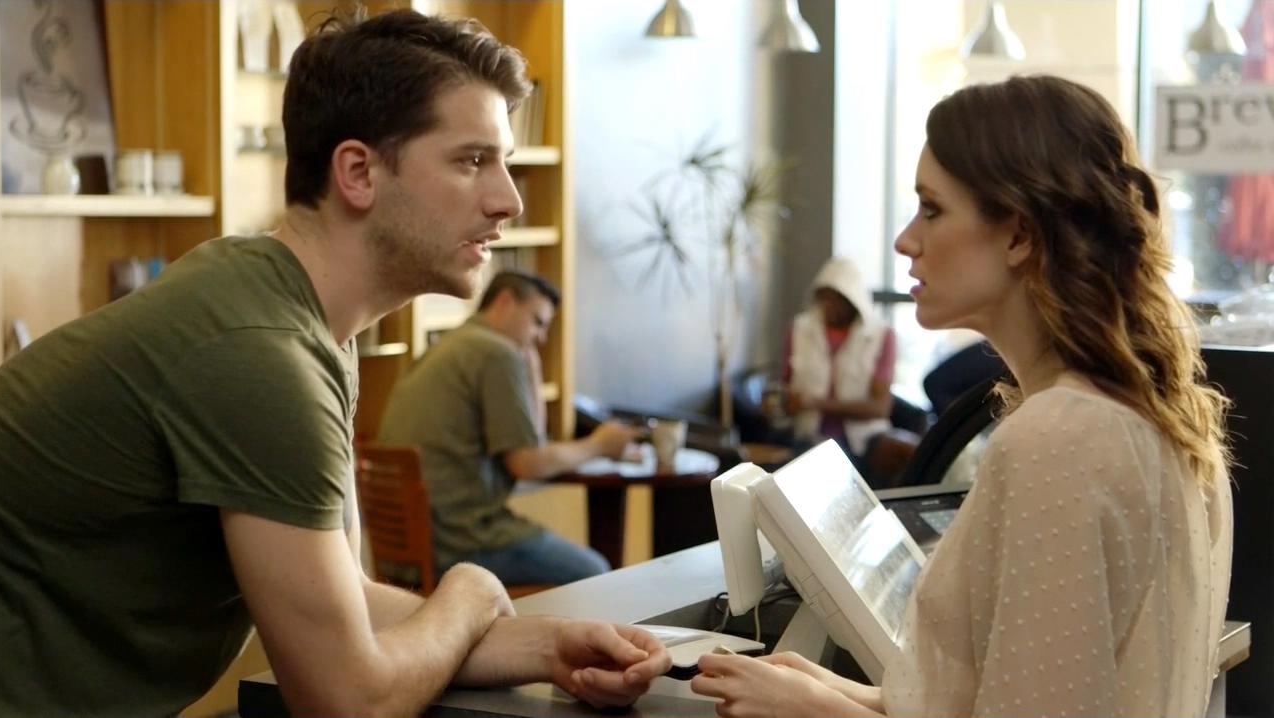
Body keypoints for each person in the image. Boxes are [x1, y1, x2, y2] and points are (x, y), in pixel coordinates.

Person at [0, 10, 668, 717]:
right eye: (472, 161)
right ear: (357, 172)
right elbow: (347, 700)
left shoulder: (296, 321)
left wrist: (546, 644)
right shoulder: (260, 353)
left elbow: (349, 605)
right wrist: (468, 591)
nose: (509, 200)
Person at [691, 74, 1233, 717]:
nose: (906, 240)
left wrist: (816, 711)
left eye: (932, 209)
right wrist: (845, 694)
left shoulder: (1060, 438)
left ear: (1019, 235)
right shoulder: (1147, 420)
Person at [377, 270, 638, 585]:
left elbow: (531, 442)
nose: (541, 337)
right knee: (596, 573)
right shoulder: (495, 353)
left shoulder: (449, 345)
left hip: (405, 548)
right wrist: (600, 445)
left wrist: (532, 369)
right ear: (505, 301)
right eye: (538, 322)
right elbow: (528, 463)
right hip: (462, 542)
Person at [781, 256, 918, 487]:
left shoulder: (881, 336)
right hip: (808, 436)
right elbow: (785, 386)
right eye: (825, 298)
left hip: (864, 440)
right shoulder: (799, 329)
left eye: (838, 299)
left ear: (855, 300)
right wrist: (781, 402)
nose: (830, 306)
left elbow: (880, 408)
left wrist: (814, 402)